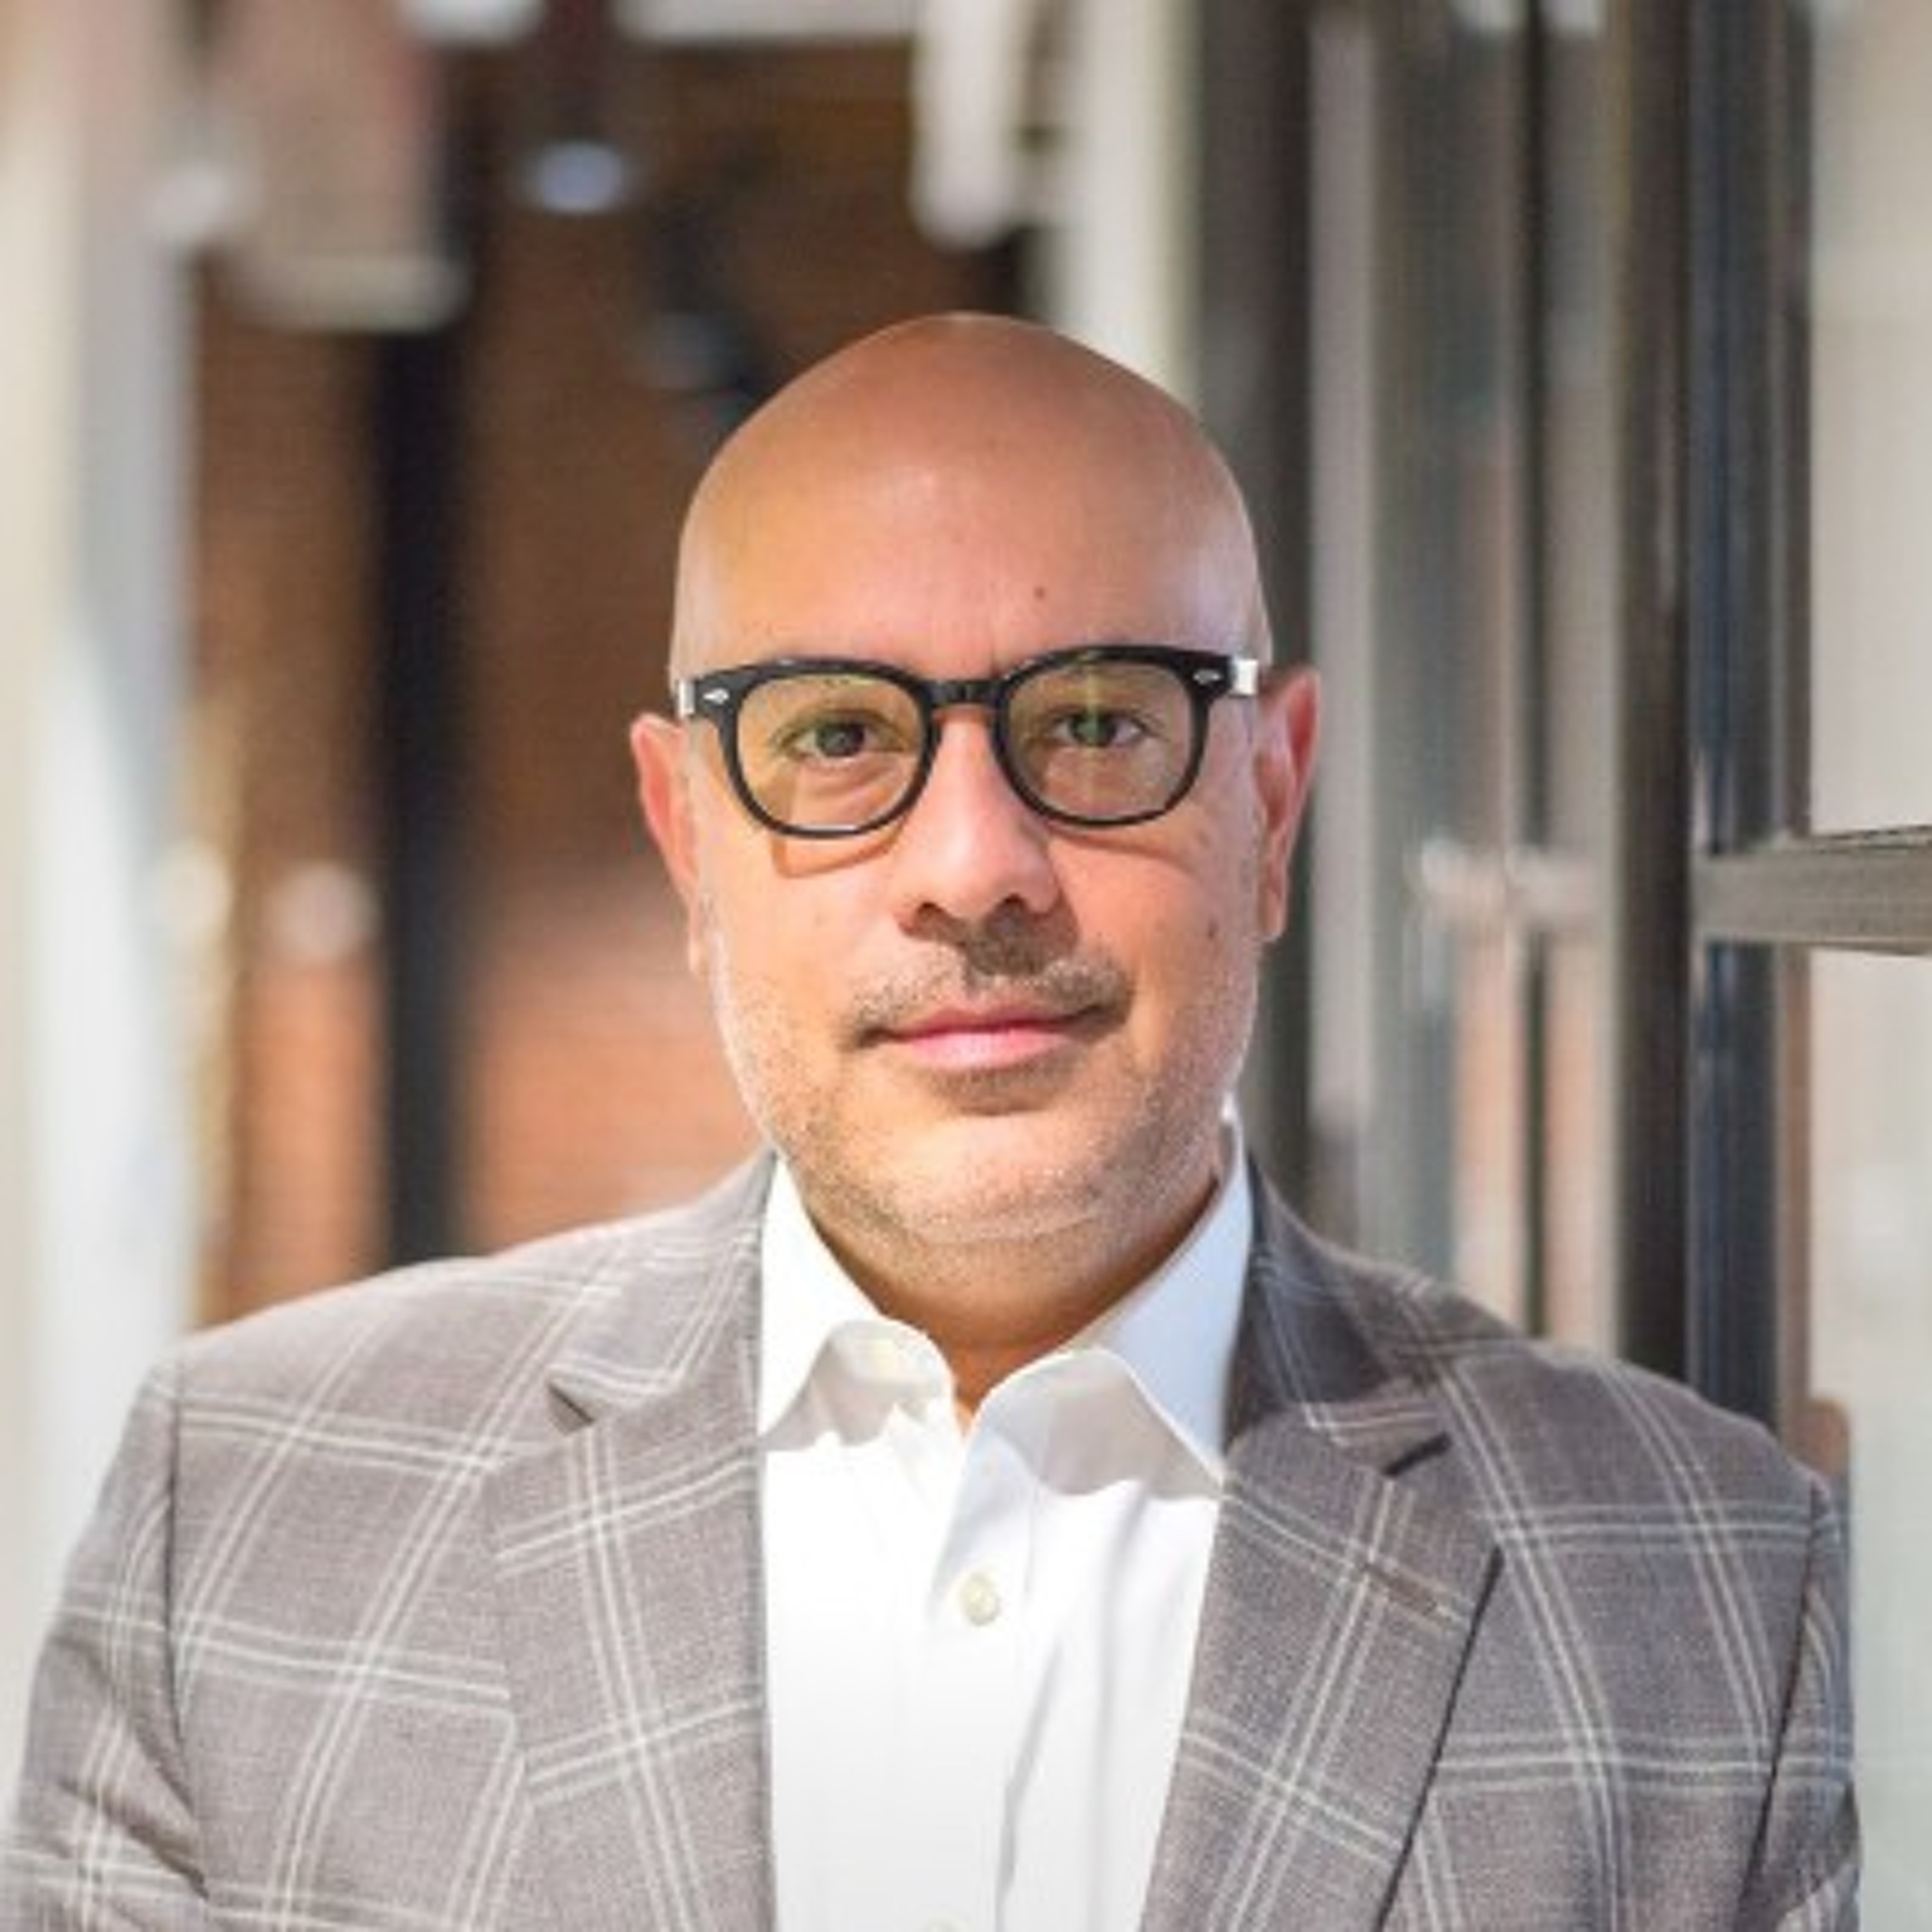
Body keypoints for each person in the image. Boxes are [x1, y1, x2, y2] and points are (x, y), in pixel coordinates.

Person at [3, 314, 1854, 1930]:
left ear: (1274, 806)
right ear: (689, 840)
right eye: (835, 739)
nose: (975, 867)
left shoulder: (1709, 1585)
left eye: (1100, 724)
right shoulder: (245, 1512)